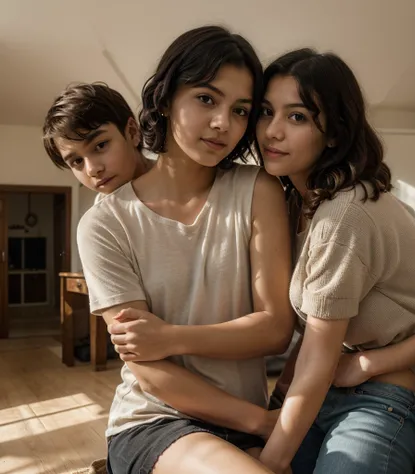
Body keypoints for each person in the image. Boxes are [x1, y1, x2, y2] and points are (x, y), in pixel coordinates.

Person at [75, 26, 294, 474]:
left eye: (240, 110)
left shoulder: (259, 190)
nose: (223, 124)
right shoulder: (104, 222)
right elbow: (150, 369)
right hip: (155, 420)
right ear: (164, 98)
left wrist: (171, 336)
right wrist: (265, 423)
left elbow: (275, 329)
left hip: (245, 416)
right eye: (207, 99)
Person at [256, 48, 415, 474]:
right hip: (324, 390)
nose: (272, 131)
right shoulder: (288, 202)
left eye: (297, 116)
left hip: (381, 400)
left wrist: (268, 463)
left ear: (334, 132)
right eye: (266, 112)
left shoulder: (345, 213)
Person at [43, 83, 154, 197]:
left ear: (132, 132)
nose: (92, 170)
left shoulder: (172, 177)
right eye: (77, 161)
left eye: (100, 146)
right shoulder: (102, 213)